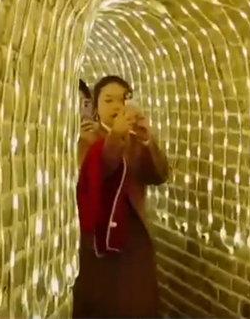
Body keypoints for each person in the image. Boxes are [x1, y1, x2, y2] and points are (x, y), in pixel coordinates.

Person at [73, 75, 169, 319]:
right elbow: (100, 173)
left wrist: (146, 140)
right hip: (101, 238)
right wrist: (115, 137)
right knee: (103, 305)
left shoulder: (136, 139)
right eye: (108, 100)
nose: (116, 106)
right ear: (96, 107)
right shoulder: (87, 139)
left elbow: (159, 175)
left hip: (134, 238)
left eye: (122, 99)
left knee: (139, 304)